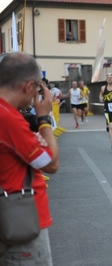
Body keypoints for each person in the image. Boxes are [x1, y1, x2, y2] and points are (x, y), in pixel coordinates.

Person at [0, 52, 59, 265]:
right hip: (20, 221)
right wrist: (44, 119)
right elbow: (51, 163)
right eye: (37, 89)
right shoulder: (9, 118)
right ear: (29, 87)